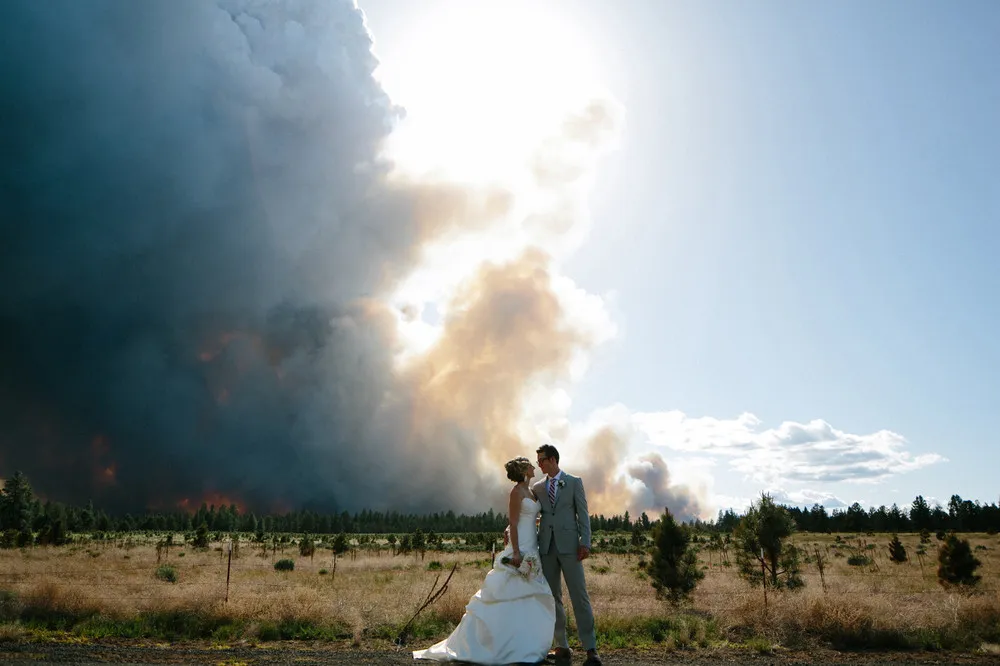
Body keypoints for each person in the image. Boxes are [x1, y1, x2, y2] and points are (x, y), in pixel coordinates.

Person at [413, 457, 555, 664]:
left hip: (532, 546)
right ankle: (497, 645)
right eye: (530, 465)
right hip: (521, 546)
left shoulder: (531, 491)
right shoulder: (516, 492)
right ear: (524, 470)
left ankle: (524, 645)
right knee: (508, 594)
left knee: (531, 596)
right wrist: (515, 552)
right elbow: (513, 524)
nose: (534, 466)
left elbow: (529, 517)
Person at [533, 444, 601, 665]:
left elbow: (583, 514)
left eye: (541, 460)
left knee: (579, 596)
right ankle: (562, 646)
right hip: (547, 549)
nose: (539, 464)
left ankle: (591, 649)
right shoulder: (538, 488)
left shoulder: (573, 482)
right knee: (553, 599)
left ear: (552, 460)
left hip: (571, 548)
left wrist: (585, 542)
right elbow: (528, 514)